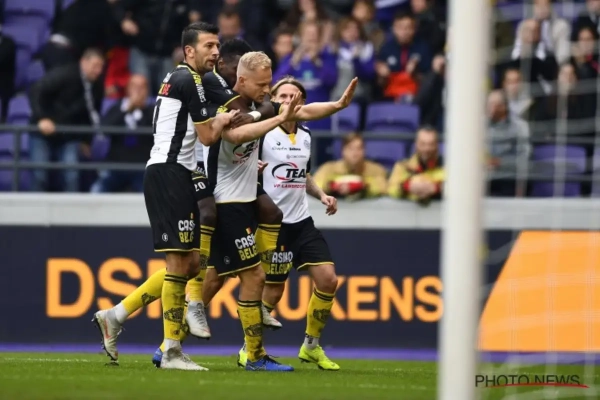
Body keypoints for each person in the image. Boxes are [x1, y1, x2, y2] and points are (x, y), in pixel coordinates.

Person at [150, 54, 358, 370]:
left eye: (269, 83)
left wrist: (339, 105)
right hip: (225, 204)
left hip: (248, 205)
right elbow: (236, 136)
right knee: (241, 277)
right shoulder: (227, 108)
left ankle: (171, 345)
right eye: (263, 85)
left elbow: (305, 115)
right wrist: (276, 118)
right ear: (242, 80)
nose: (267, 90)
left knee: (234, 277)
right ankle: (242, 350)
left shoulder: (265, 110)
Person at [92, 22, 235, 371]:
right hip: (168, 172)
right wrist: (226, 119)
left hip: (177, 173)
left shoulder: (186, 78)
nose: (216, 52)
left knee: (190, 264)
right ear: (189, 51)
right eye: (209, 46)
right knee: (179, 264)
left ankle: (116, 315)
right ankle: (170, 351)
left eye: (218, 45)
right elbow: (207, 136)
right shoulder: (188, 79)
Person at [236, 76, 341, 371]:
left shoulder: (306, 135)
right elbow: (238, 162)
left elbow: (302, 174)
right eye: (282, 96)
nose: (288, 100)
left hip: (301, 221)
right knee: (272, 291)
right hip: (272, 223)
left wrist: (322, 194)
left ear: (303, 103)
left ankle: (311, 346)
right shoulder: (263, 132)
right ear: (273, 100)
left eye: (294, 96)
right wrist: (251, 168)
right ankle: (249, 349)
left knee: (329, 280)